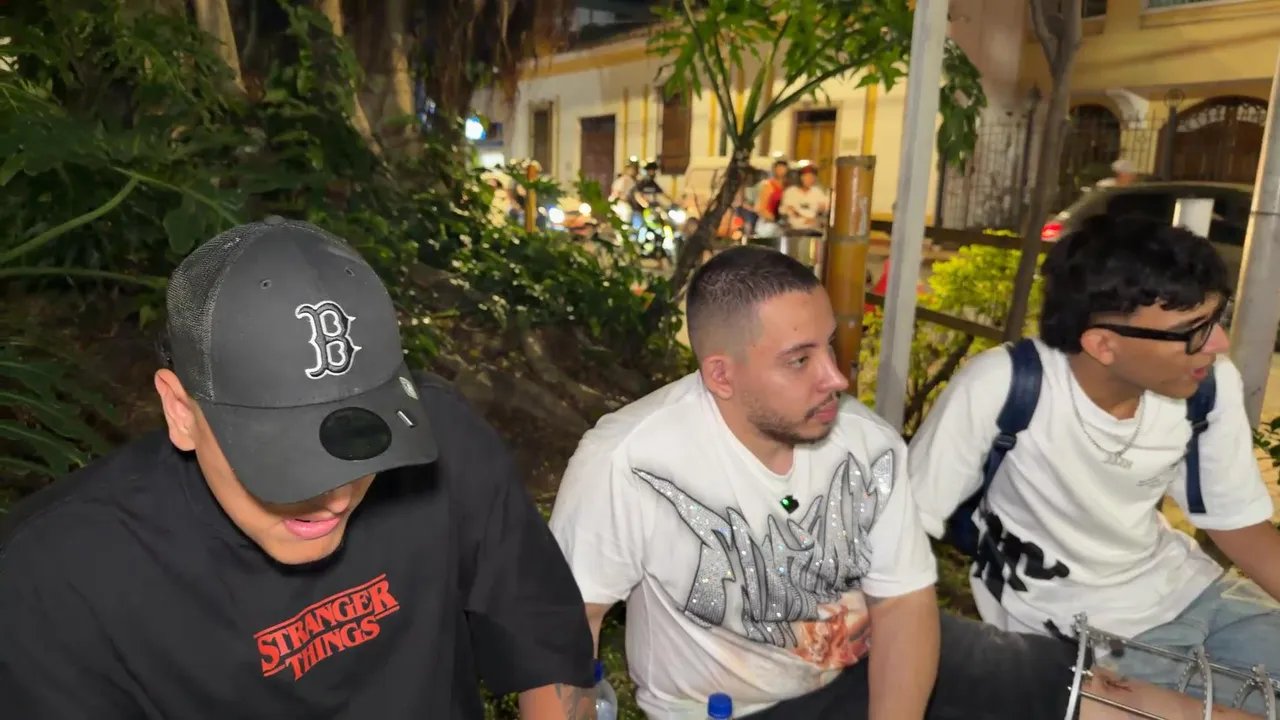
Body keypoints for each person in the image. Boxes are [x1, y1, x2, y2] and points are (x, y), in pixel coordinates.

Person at [549, 244, 1249, 719]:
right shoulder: (631, 461)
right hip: (729, 708)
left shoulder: (864, 443)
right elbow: (560, 636)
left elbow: (905, 604)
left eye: (830, 345)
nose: (836, 378)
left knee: (1074, 687)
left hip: (863, 662)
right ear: (721, 375)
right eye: (800, 359)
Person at [0, 217, 596, 719]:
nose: (335, 496)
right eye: (281, 453)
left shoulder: (446, 442)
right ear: (181, 410)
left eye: (363, 438)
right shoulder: (57, 578)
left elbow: (545, 644)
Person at [909, 213, 1280, 713]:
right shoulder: (1007, 386)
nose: (1218, 344)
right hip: (1085, 635)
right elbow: (906, 530)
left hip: (1200, 595)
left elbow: (1238, 524)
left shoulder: (1209, 386)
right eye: (1193, 331)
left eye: (1217, 318)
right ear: (1103, 344)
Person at [779, 161, 830, 233]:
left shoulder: (817, 192)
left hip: (814, 229)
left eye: (812, 177)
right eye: (807, 177)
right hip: (794, 229)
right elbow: (789, 210)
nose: (810, 180)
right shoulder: (791, 192)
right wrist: (806, 219)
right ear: (800, 178)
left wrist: (818, 215)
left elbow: (824, 207)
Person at [754, 157, 789, 238]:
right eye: (779, 168)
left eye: (783, 168)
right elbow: (759, 209)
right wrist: (775, 219)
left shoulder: (788, 187)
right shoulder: (768, 186)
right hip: (768, 224)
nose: (781, 170)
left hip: (784, 224)